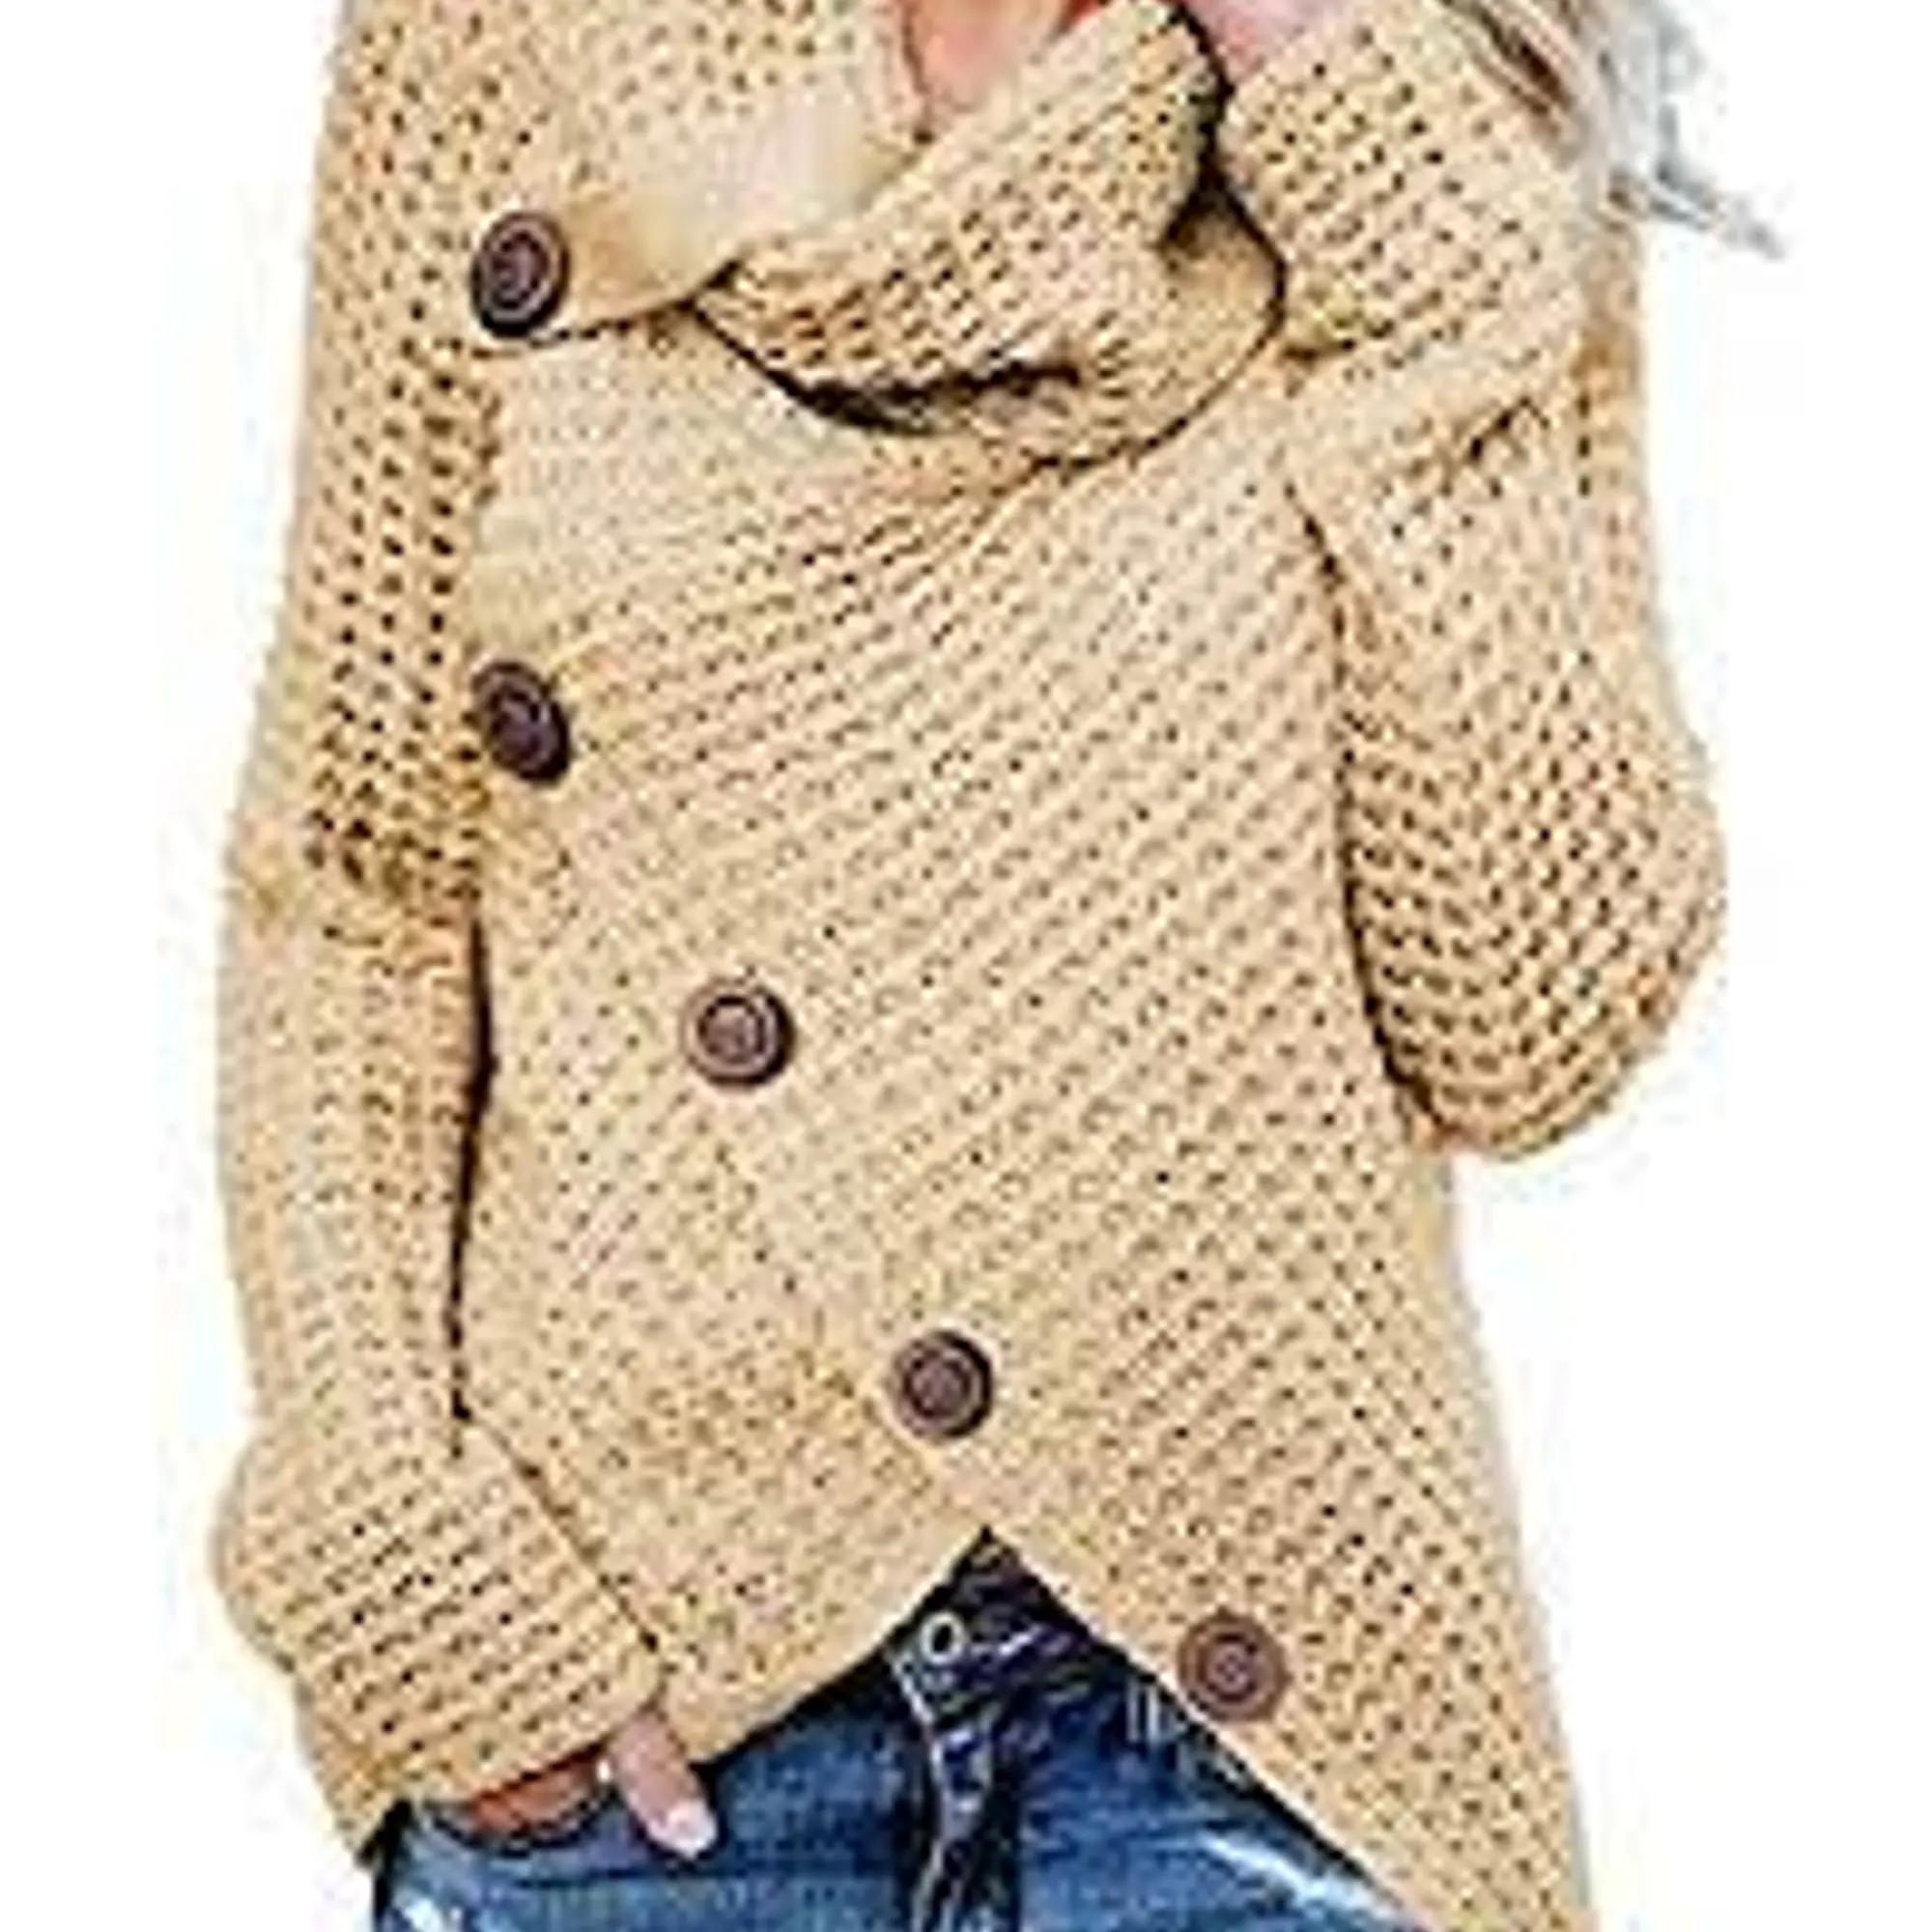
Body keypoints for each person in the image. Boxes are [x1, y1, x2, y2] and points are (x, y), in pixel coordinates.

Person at [206, 1, 1764, 1927]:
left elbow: (1531, 1021)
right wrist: (398, 1550)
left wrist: (1350, 133)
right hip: (654, 1692)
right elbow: (354, 888)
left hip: (1270, 1720)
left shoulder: (1424, 125)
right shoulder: (517, 51)